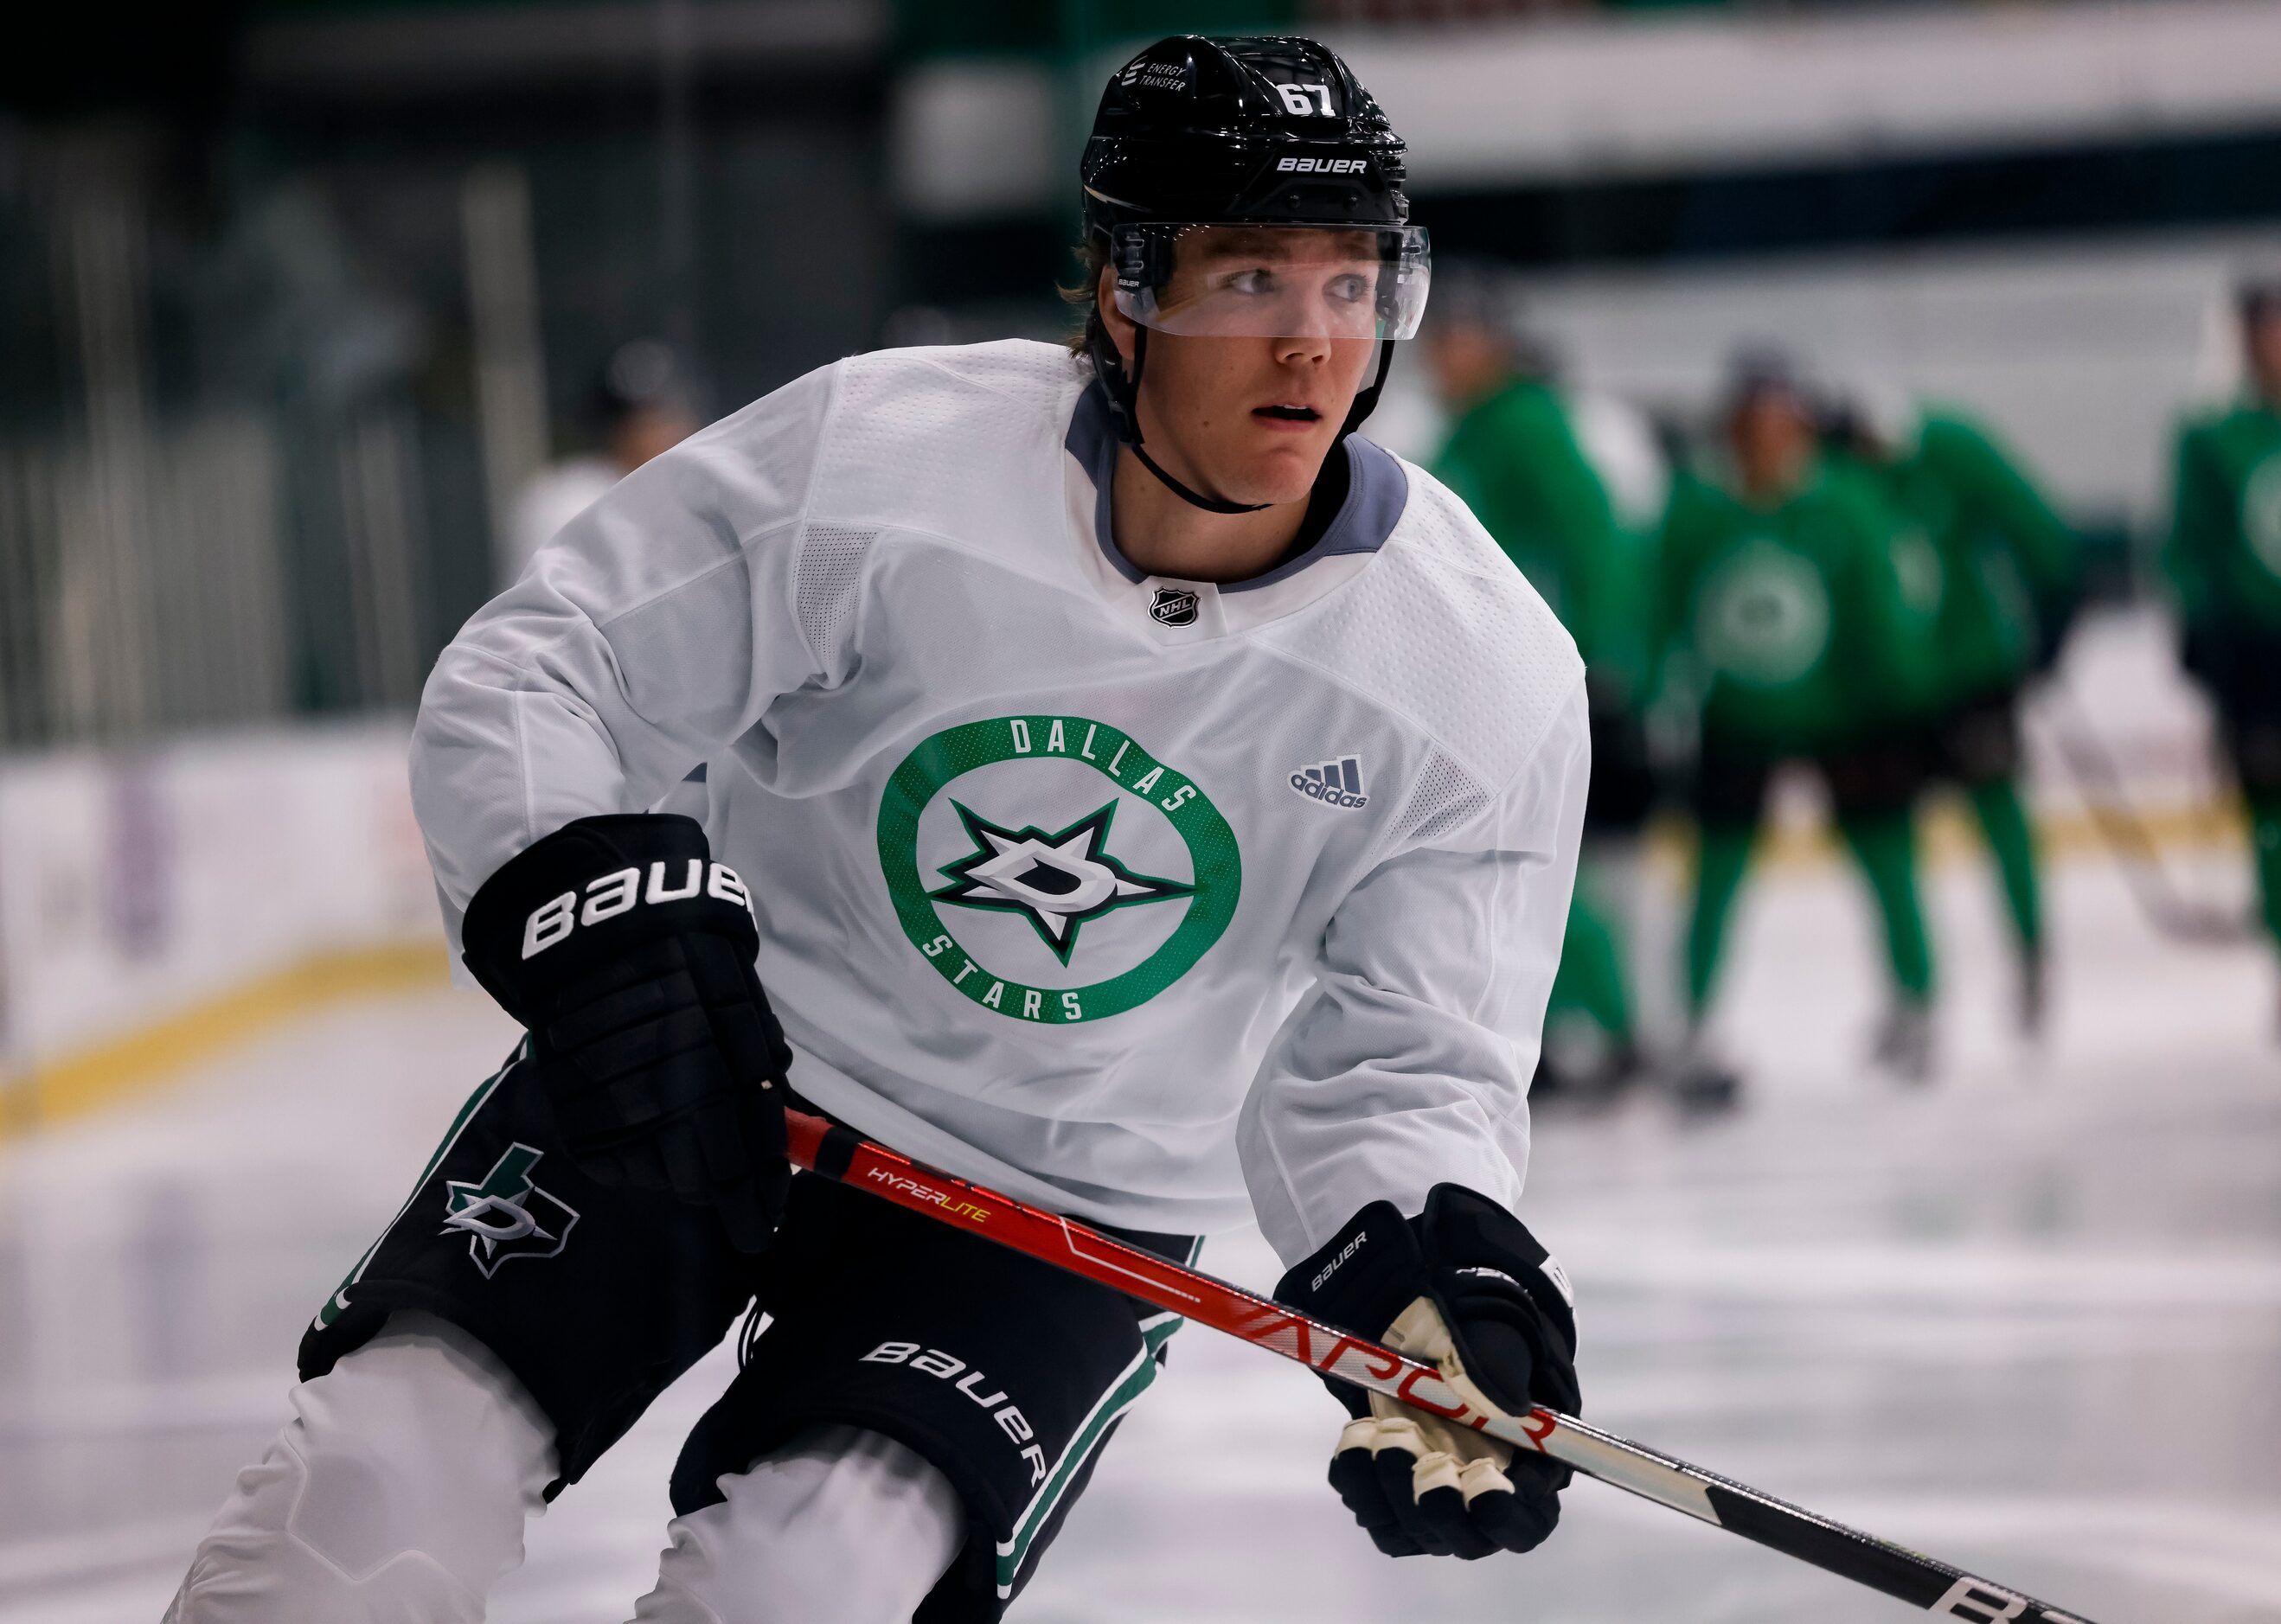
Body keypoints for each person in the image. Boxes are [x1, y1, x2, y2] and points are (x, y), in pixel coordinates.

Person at [168, 35, 1588, 1623]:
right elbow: (551, 663)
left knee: (794, 1597)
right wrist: (594, 915)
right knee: (353, 1518)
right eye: (1248, 277)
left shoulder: (1476, 669)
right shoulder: (879, 459)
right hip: (703, 1078)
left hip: (1043, 1212)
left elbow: (1406, 1059)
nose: (1312, 347)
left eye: (1351, 286)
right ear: (1119, 291)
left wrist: (1427, 1272)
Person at [1658, 352, 1940, 1095]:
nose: (1768, 442)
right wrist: (1647, 684)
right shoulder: (1698, 511)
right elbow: (1658, 607)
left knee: (1885, 861)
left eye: (1782, 425)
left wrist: (1904, 695)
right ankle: (1693, 1025)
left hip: (1847, 715)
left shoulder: (1842, 503)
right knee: (1715, 876)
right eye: (1754, 427)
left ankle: (1915, 1006)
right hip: (1736, 717)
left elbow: (1879, 607)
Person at [1426, 263, 1656, 1097]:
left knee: (1533, 863)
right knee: (1511, 862)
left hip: (1527, 677)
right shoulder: (1477, 429)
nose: (1435, 357)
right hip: (1489, 678)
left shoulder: (1521, 423)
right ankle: (1558, 1035)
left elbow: (1592, 536)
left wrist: (1602, 657)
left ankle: (1616, 1032)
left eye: (1454, 339)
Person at [1831, 389, 2076, 1035]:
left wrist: (2054, 607)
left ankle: (2026, 956)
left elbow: (2028, 520)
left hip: (1964, 675)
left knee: (1992, 817)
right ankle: (1916, 990)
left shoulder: (1943, 449)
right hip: (1881, 693)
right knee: (1887, 841)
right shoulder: (1829, 482)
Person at [2166, 273, 2281, 1013]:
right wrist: (2202, 632)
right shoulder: (2211, 438)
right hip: (2261, 655)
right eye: (2259, 331)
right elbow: (2188, 546)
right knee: (2272, 817)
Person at [499, 338, 702, 590]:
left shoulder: (695, 493)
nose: (668, 432)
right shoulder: (566, 499)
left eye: (671, 418)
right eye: (650, 421)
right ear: (616, 428)